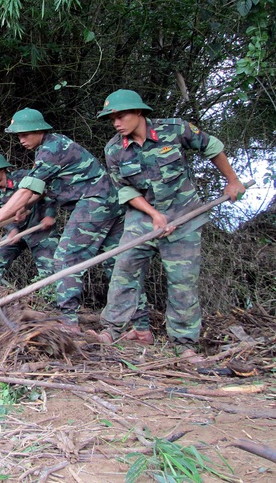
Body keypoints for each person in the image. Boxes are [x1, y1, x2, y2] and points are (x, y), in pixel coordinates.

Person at [90, 89, 246, 359]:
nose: (116, 122)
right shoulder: (114, 149)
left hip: (184, 214)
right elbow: (125, 191)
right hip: (142, 218)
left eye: (121, 115)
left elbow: (212, 147)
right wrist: (154, 216)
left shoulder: (174, 129)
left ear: (139, 112)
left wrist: (232, 181)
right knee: (124, 270)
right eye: (112, 118)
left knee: (183, 281)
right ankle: (111, 330)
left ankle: (183, 343)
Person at [0, 108, 125, 330]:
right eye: (18, 135)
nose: (21, 139)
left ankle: (68, 322)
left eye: (25, 134)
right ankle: (137, 325)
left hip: (95, 201)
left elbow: (27, 190)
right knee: (116, 262)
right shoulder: (47, 150)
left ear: (39, 129)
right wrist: (22, 210)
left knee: (66, 258)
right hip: (105, 201)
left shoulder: (52, 149)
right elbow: (39, 190)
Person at [0, 152, 59, 295]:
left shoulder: (23, 178)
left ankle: (53, 306)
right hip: (19, 232)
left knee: (50, 272)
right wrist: (12, 229)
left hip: (41, 230)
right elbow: (1, 218)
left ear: (1, 169)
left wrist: (49, 215)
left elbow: (49, 192)